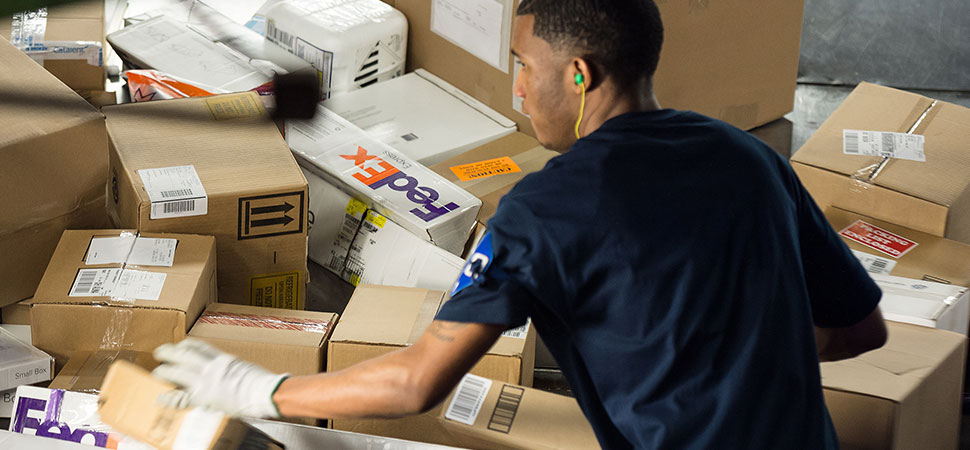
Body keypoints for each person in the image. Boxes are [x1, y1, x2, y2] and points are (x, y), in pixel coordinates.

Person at [151, 1, 889, 448]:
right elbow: (861, 330)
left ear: (579, 75)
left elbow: (415, 384)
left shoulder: (547, 209)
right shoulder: (745, 158)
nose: (516, 89)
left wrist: (255, 389)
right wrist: (746, 357)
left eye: (522, 66)